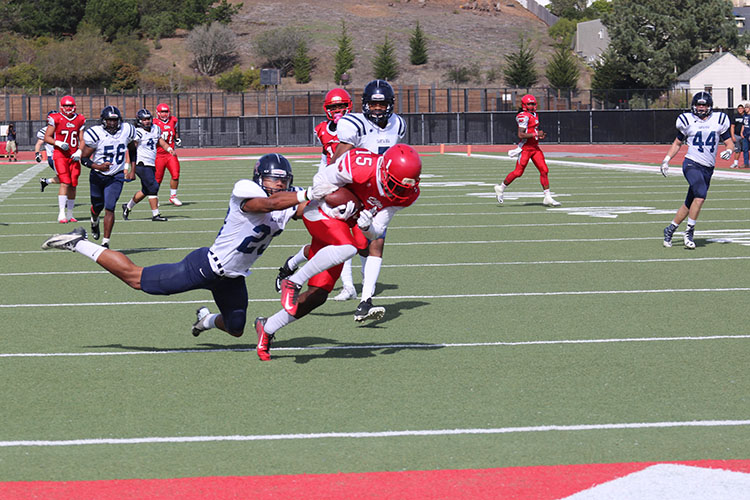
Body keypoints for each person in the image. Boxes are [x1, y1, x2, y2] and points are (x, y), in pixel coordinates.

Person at [41, 154, 333, 340]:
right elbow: (268, 204)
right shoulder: (247, 189)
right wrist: (307, 194)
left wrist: (346, 205)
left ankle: (205, 320)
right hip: (205, 267)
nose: (278, 185)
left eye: (283, 181)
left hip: (233, 279)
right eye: (273, 179)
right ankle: (78, 242)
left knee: (236, 328)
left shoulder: (287, 200)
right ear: (260, 178)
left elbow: (312, 208)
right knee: (137, 280)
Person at [261, 144, 422, 362]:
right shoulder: (361, 165)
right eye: (395, 184)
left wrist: (367, 227)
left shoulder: (405, 194)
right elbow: (320, 180)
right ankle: (293, 281)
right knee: (349, 248)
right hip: (320, 212)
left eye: (404, 188)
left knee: (318, 295)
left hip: (342, 227)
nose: (398, 191)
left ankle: (267, 328)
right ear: (384, 170)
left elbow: (377, 232)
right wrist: (335, 198)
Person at [278, 79, 407, 310]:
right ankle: (283, 221)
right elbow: (336, 163)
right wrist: (334, 190)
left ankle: (365, 300)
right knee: (335, 243)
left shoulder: (398, 124)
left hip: (376, 191)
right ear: (365, 105)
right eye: (373, 104)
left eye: (382, 104)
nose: (378, 109)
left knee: (369, 243)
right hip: (348, 186)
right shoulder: (352, 125)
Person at [272, 88, 354, 295]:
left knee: (354, 240)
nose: (337, 111)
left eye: (340, 106)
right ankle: (348, 286)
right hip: (334, 187)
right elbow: (325, 159)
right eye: (333, 107)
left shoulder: (358, 126)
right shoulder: (322, 129)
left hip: (354, 184)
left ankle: (292, 264)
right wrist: (321, 184)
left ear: (349, 106)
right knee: (338, 240)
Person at [661, 91, 733, 250]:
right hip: (692, 164)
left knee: (689, 203)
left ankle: (670, 229)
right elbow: (677, 143)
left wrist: (729, 150)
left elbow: (729, 142)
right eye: (699, 104)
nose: (701, 108)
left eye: (704, 105)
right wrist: (667, 159)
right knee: (700, 196)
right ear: (694, 106)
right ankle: (689, 232)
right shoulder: (687, 121)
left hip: (708, 168)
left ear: (709, 106)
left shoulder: (719, 120)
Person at [79, 106, 136, 249]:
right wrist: (98, 167)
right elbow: (84, 159)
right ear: (103, 121)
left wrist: (132, 170)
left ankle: (105, 242)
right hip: (98, 175)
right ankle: (94, 219)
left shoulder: (126, 131)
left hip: (116, 175)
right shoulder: (96, 134)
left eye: (115, 120)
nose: (112, 123)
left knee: (110, 206)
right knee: (98, 205)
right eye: (109, 120)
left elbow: (132, 149)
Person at [494, 94, 560, 207]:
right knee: (518, 173)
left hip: (535, 148)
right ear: (524, 105)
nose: (532, 106)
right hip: (525, 149)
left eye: (533, 103)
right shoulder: (523, 116)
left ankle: (547, 197)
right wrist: (535, 134)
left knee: (544, 170)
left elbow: (532, 129)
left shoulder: (534, 114)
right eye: (529, 104)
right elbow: (521, 134)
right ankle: (501, 188)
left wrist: (538, 136)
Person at [122, 108, 173, 222]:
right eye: (144, 119)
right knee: (153, 187)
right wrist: (127, 167)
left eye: (148, 119)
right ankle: (156, 214)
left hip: (150, 163)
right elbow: (131, 150)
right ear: (139, 121)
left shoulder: (155, 129)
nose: (147, 121)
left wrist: (169, 149)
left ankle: (128, 206)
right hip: (141, 163)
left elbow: (160, 141)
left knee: (146, 190)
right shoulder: (137, 132)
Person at [44, 96, 86, 223]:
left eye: (70, 106)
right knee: (65, 182)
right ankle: (61, 213)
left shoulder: (80, 119)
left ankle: (70, 214)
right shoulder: (56, 118)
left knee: (73, 184)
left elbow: (82, 139)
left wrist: (79, 150)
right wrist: (58, 143)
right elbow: (47, 137)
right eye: (66, 106)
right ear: (61, 106)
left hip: (74, 155)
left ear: (74, 106)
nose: (68, 108)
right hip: (60, 155)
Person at [154, 103, 183, 206]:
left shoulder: (173, 120)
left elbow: (174, 131)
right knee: (158, 178)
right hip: (158, 154)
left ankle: (173, 196)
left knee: (175, 174)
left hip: (170, 153)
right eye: (162, 112)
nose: (164, 114)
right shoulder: (153, 123)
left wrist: (176, 138)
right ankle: (155, 197)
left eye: (166, 111)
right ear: (157, 112)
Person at [730, 104, 745, 168]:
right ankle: (735, 163)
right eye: (739, 109)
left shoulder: (746, 116)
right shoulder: (735, 116)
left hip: (745, 136)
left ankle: (747, 163)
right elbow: (732, 127)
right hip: (737, 135)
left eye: (741, 108)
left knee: (746, 150)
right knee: (737, 150)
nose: (740, 110)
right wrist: (733, 136)